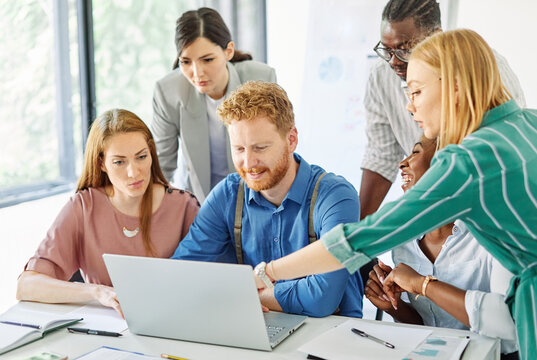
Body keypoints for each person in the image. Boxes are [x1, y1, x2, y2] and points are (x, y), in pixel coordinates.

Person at [253, 30, 537, 360]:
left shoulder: (468, 161)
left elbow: (358, 240)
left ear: (455, 87)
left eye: (416, 90)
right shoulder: (527, 123)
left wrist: (265, 273)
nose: (409, 104)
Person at [172, 81, 363, 318]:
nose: (248, 163)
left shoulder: (335, 196)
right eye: (239, 149)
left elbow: (322, 297)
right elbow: (179, 274)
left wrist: (242, 296)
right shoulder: (228, 195)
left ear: (291, 139)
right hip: (255, 327)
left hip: (330, 338)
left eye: (260, 148)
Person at [16, 109, 200, 314]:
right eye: (119, 162)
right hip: (106, 334)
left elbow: (210, 281)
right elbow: (27, 286)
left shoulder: (184, 206)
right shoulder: (84, 207)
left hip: (172, 324)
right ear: (102, 163)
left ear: (151, 153)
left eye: (141, 157)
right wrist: (96, 292)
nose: (133, 172)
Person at [360, 0, 525, 219]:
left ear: (435, 36)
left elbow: (508, 154)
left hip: (484, 204)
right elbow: (381, 157)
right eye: (386, 50)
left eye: (404, 49)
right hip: (432, 203)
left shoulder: (485, 69)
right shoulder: (381, 76)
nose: (393, 62)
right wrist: (357, 228)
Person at [366, 137, 517, 357]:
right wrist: (392, 305)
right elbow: (426, 326)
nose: (402, 163)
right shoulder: (404, 244)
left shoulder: (487, 235)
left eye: (415, 153)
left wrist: (421, 284)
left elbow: (504, 324)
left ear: (446, 168)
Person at [152, 7, 277, 204]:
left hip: (255, 197)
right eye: (186, 62)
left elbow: (276, 151)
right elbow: (161, 169)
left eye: (207, 59)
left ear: (228, 51)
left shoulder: (260, 78)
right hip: (196, 203)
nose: (197, 72)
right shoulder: (167, 92)